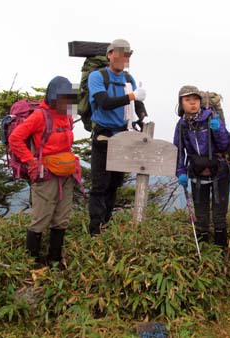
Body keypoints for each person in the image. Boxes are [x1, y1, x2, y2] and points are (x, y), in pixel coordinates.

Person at [9, 76, 79, 269]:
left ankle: (55, 259)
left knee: (62, 218)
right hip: (45, 174)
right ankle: (33, 262)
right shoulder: (40, 116)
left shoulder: (67, 116)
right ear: (52, 97)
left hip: (66, 174)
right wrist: (30, 161)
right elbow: (16, 138)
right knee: (41, 218)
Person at [87, 38, 148, 236]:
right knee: (100, 185)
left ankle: (106, 224)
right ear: (110, 54)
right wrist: (133, 97)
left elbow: (135, 104)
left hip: (123, 136)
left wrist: (143, 115)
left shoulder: (128, 79)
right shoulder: (97, 76)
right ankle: (95, 230)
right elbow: (104, 102)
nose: (123, 57)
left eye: (127, 54)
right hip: (103, 136)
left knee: (114, 183)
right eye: (119, 53)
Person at [173, 85, 230, 248]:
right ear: (181, 103)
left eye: (195, 99)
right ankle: (204, 252)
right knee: (201, 216)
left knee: (219, 216)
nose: (192, 103)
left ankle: (221, 251)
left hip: (219, 171)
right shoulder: (182, 125)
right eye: (187, 100)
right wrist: (181, 172)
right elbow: (178, 151)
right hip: (196, 173)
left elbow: (225, 143)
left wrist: (218, 128)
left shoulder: (211, 117)